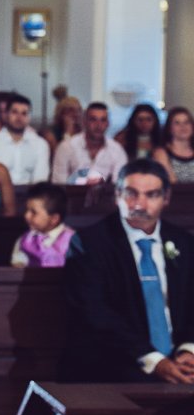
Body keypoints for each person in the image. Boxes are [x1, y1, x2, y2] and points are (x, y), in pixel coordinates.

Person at [64, 159, 194, 384]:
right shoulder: (89, 243)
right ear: (117, 196)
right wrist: (154, 361)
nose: (139, 205)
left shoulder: (184, 242)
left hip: (180, 363)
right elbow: (93, 312)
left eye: (151, 195)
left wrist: (189, 350)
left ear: (166, 198)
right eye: (131, 193)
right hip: (115, 365)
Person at [51, 102, 127, 185]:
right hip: (71, 196)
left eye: (103, 120)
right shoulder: (66, 147)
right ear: (84, 122)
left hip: (104, 196)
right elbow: (58, 184)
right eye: (93, 119)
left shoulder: (117, 150)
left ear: (108, 124)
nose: (98, 125)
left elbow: (119, 186)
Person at [0, 92, 51, 185]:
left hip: (31, 196)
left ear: (29, 117)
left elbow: (40, 180)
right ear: (7, 115)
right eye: (14, 112)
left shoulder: (40, 145)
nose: (19, 117)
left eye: (24, 113)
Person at [10, 182, 75, 268]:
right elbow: (17, 267)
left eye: (33, 212)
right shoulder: (25, 240)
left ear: (54, 219)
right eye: (26, 210)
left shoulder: (72, 240)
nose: (26, 215)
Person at [153, 106, 194, 184]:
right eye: (177, 123)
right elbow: (172, 184)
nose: (183, 127)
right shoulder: (161, 153)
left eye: (186, 122)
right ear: (169, 128)